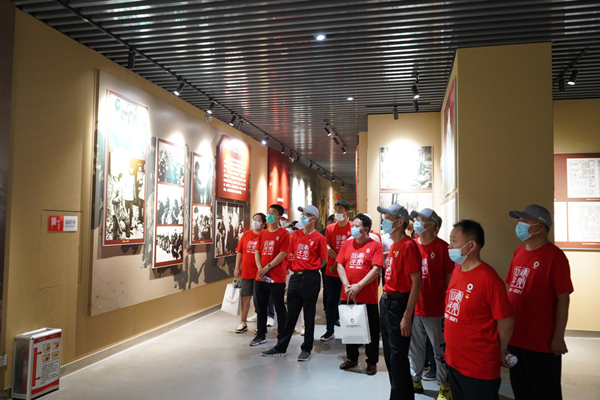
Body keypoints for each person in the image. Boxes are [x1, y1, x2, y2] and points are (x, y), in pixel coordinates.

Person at [506, 205, 574, 400]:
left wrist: (558, 336)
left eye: (525, 222)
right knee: (521, 389)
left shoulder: (555, 257)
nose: (520, 225)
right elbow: (512, 289)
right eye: (520, 221)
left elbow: (563, 300)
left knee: (544, 392)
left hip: (540, 341)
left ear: (540, 227)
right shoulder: (519, 251)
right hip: (516, 337)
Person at [445, 220, 514, 400]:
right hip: (454, 362)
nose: (449, 246)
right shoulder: (457, 272)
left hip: (478, 368)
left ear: (472, 245)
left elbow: (506, 322)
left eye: (454, 241)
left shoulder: (489, 279)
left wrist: (499, 350)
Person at [262, 205, 328, 361]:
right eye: (302, 214)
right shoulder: (296, 235)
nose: (303, 217)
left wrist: (311, 267)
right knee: (291, 313)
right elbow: (290, 253)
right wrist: (294, 268)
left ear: (313, 218)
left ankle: (306, 348)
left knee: (309, 314)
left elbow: (324, 260)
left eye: (306, 214)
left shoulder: (319, 238)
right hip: (295, 277)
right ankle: (281, 346)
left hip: (310, 277)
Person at [408, 208, 454, 400]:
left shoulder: (443, 248)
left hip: (436, 309)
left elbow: (450, 280)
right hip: (415, 307)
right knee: (415, 349)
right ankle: (415, 380)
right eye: (417, 219)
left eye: (421, 219)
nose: (417, 222)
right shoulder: (412, 245)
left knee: (439, 350)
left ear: (432, 224)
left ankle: (444, 386)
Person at [377, 203, 422, 400]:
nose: (384, 222)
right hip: (387, 301)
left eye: (388, 218)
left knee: (397, 357)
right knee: (391, 356)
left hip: (399, 304)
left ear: (399, 222)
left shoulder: (408, 246)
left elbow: (416, 283)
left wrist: (407, 316)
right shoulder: (394, 245)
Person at [336, 213, 384, 375]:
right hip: (347, 294)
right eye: (353, 225)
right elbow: (340, 265)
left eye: (357, 226)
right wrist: (346, 284)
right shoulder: (347, 244)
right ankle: (352, 357)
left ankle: (371, 361)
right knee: (350, 326)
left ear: (366, 229)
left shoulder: (375, 246)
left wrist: (359, 285)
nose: (353, 229)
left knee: (371, 329)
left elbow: (376, 269)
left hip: (367, 296)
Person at [250, 204, 289, 347]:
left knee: (279, 307)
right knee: (261, 307)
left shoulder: (284, 233)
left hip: (276, 277)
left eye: (273, 213)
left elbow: (283, 253)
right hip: (261, 276)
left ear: (279, 217)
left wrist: (267, 267)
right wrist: (260, 269)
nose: (269, 215)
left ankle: (282, 336)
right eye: (269, 212)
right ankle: (260, 334)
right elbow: (257, 251)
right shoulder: (262, 233)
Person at [323, 200, 353, 341]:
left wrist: (339, 262)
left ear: (347, 212)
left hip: (349, 270)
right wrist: (339, 260)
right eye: (336, 209)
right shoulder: (330, 228)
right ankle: (330, 330)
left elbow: (354, 247)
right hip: (332, 270)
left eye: (340, 209)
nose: (337, 212)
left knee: (349, 300)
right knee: (331, 300)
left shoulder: (353, 227)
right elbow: (327, 247)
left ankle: (351, 331)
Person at [234, 213, 267, 333]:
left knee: (260, 299)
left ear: (264, 223)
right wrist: (237, 268)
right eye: (254, 219)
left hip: (260, 273)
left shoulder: (265, 235)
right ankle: (243, 322)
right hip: (246, 272)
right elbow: (240, 252)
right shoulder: (246, 234)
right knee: (245, 297)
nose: (255, 222)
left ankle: (261, 324)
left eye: (258, 220)